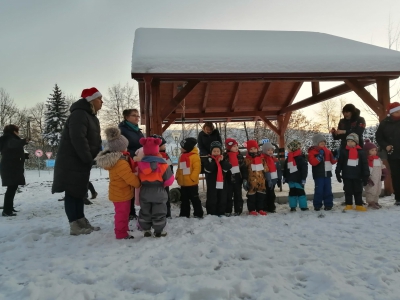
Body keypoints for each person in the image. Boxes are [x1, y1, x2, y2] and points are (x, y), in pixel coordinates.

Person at [52, 87, 103, 235]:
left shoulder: (91, 117)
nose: (102, 102)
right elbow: (78, 139)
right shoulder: (79, 115)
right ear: (91, 100)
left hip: (81, 162)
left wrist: (98, 156)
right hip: (71, 162)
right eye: (99, 99)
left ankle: (81, 221)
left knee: (79, 192)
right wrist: (88, 158)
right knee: (72, 193)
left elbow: (94, 141)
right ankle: (74, 225)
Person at [95, 127, 140, 239]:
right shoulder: (121, 163)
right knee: (122, 214)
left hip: (121, 192)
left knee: (124, 213)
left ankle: (124, 229)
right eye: (125, 145)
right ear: (121, 148)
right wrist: (138, 183)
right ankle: (121, 233)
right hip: (121, 193)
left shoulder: (121, 159)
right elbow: (129, 177)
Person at [136, 137, 174, 237]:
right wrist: (164, 184)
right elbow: (169, 180)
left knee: (145, 210)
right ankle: (158, 230)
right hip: (159, 190)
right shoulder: (162, 164)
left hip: (145, 190)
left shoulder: (141, 164)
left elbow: (138, 177)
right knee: (159, 210)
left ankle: (146, 229)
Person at [119, 109, 144, 220]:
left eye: (138, 116)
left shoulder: (137, 130)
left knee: (136, 185)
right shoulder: (122, 130)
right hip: (129, 160)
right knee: (130, 185)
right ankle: (130, 212)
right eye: (134, 115)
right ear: (126, 117)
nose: (137, 118)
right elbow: (122, 147)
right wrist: (134, 154)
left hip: (138, 160)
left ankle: (134, 210)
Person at [0, 124, 29, 217]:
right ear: (13, 131)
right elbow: (13, 145)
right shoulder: (9, 138)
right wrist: (24, 141)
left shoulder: (7, 138)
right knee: (11, 188)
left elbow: (11, 151)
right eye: (17, 130)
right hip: (10, 168)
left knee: (12, 187)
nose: (18, 132)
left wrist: (24, 156)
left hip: (10, 167)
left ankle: (9, 208)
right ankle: (7, 211)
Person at [335, 133, 370, 211]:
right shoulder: (344, 151)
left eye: (352, 141)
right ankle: (349, 204)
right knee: (348, 191)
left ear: (356, 142)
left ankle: (359, 205)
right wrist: (337, 172)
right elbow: (340, 163)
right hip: (347, 175)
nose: (350, 143)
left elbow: (364, 164)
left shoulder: (361, 152)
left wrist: (366, 175)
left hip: (358, 175)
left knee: (358, 191)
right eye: (348, 141)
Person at [376, 102, 400, 205]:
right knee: (396, 175)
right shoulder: (384, 123)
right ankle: (399, 198)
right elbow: (379, 137)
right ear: (392, 112)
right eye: (397, 111)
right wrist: (386, 145)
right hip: (393, 153)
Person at [176, 137, 204, 218]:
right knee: (184, 200)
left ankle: (198, 213)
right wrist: (177, 176)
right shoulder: (182, 156)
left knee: (195, 199)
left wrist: (192, 178)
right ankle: (184, 213)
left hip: (192, 183)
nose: (180, 148)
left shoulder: (195, 156)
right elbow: (179, 168)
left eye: (182, 147)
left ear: (187, 148)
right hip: (183, 183)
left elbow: (197, 169)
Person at [308, 134, 337, 211]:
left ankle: (328, 204)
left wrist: (336, 156)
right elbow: (313, 162)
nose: (323, 143)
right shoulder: (312, 152)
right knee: (319, 190)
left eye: (324, 141)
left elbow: (333, 161)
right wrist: (319, 156)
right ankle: (317, 205)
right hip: (318, 175)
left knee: (328, 190)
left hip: (327, 174)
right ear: (316, 143)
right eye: (320, 142)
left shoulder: (328, 151)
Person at [202, 141, 232, 216]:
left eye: (218, 151)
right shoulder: (208, 159)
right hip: (212, 183)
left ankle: (221, 211)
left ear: (220, 152)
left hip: (222, 182)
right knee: (212, 197)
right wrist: (215, 162)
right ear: (211, 151)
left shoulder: (223, 159)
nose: (216, 153)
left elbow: (228, 167)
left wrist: (221, 161)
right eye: (214, 151)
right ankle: (211, 212)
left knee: (222, 197)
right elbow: (208, 169)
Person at [242, 140, 268, 216]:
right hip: (251, 181)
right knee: (251, 196)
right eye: (251, 149)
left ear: (257, 149)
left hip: (261, 181)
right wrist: (245, 179)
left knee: (261, 196)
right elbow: (244, 170)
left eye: (255, 148)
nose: (253, 150)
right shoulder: (247, 159)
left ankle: (260, 209)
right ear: (248, 150)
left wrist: (266, 171)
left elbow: (266, 168)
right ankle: (252, 209)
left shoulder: (262, 158)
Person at [283, 140, 308, 212]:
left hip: (298, 180)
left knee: (300, 192)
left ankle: (303, 206)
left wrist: (303, 178)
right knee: (292, 193)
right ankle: (293, 206)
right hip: (291, 179)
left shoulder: (300, 158)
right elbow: (285, 169)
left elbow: (304, 169)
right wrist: (284, 177)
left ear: (293, 149)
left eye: (289, 148)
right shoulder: (289, 158)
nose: (288, 150)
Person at [152, 134, 174, 218]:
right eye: (163, 145)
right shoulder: (161, 156)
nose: (165, 146)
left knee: (165, 198)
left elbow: (170, 167)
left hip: (163, 181)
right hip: (160, 181)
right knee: (163, 198)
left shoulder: (165, 155)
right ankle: (164, 213)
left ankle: (166, 213)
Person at [224, 138, 246, 216]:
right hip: (228, 179)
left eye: (237, 146)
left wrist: (244, 178)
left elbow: (243, 168)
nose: (236, 147)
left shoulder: (239, 156)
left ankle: (238, 210)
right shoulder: (225, 156)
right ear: (229, 148)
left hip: (238, 178)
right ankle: (228, 210)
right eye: (234, 146)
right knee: (228, 195)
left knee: (238, 195)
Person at [363, 139, 387, 209]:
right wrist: (367, 178)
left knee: (378, 189)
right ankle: (371, 202)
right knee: (371, 190)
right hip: (371, 178)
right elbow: (365, 169)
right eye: (372, 150)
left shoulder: (377, 159)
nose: (374, 152)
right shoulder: (367, 160)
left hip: (378, 177)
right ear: (367, 151)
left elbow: (381, 165)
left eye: (375, 150)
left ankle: (376, 201)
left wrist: (384, 171)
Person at [261, 142, 282, 213]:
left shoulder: (275, 160)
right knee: (267, 193)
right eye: (268, 150)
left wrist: (279, 178)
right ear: (264, 151)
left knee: (271, 193)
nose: (270, 151)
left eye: (271, 150)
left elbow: (278, 170)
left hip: (274, 179)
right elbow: (265, 170)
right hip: (266, 180)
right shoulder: (263, 159)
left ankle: (271, 206)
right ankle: (266, 206)